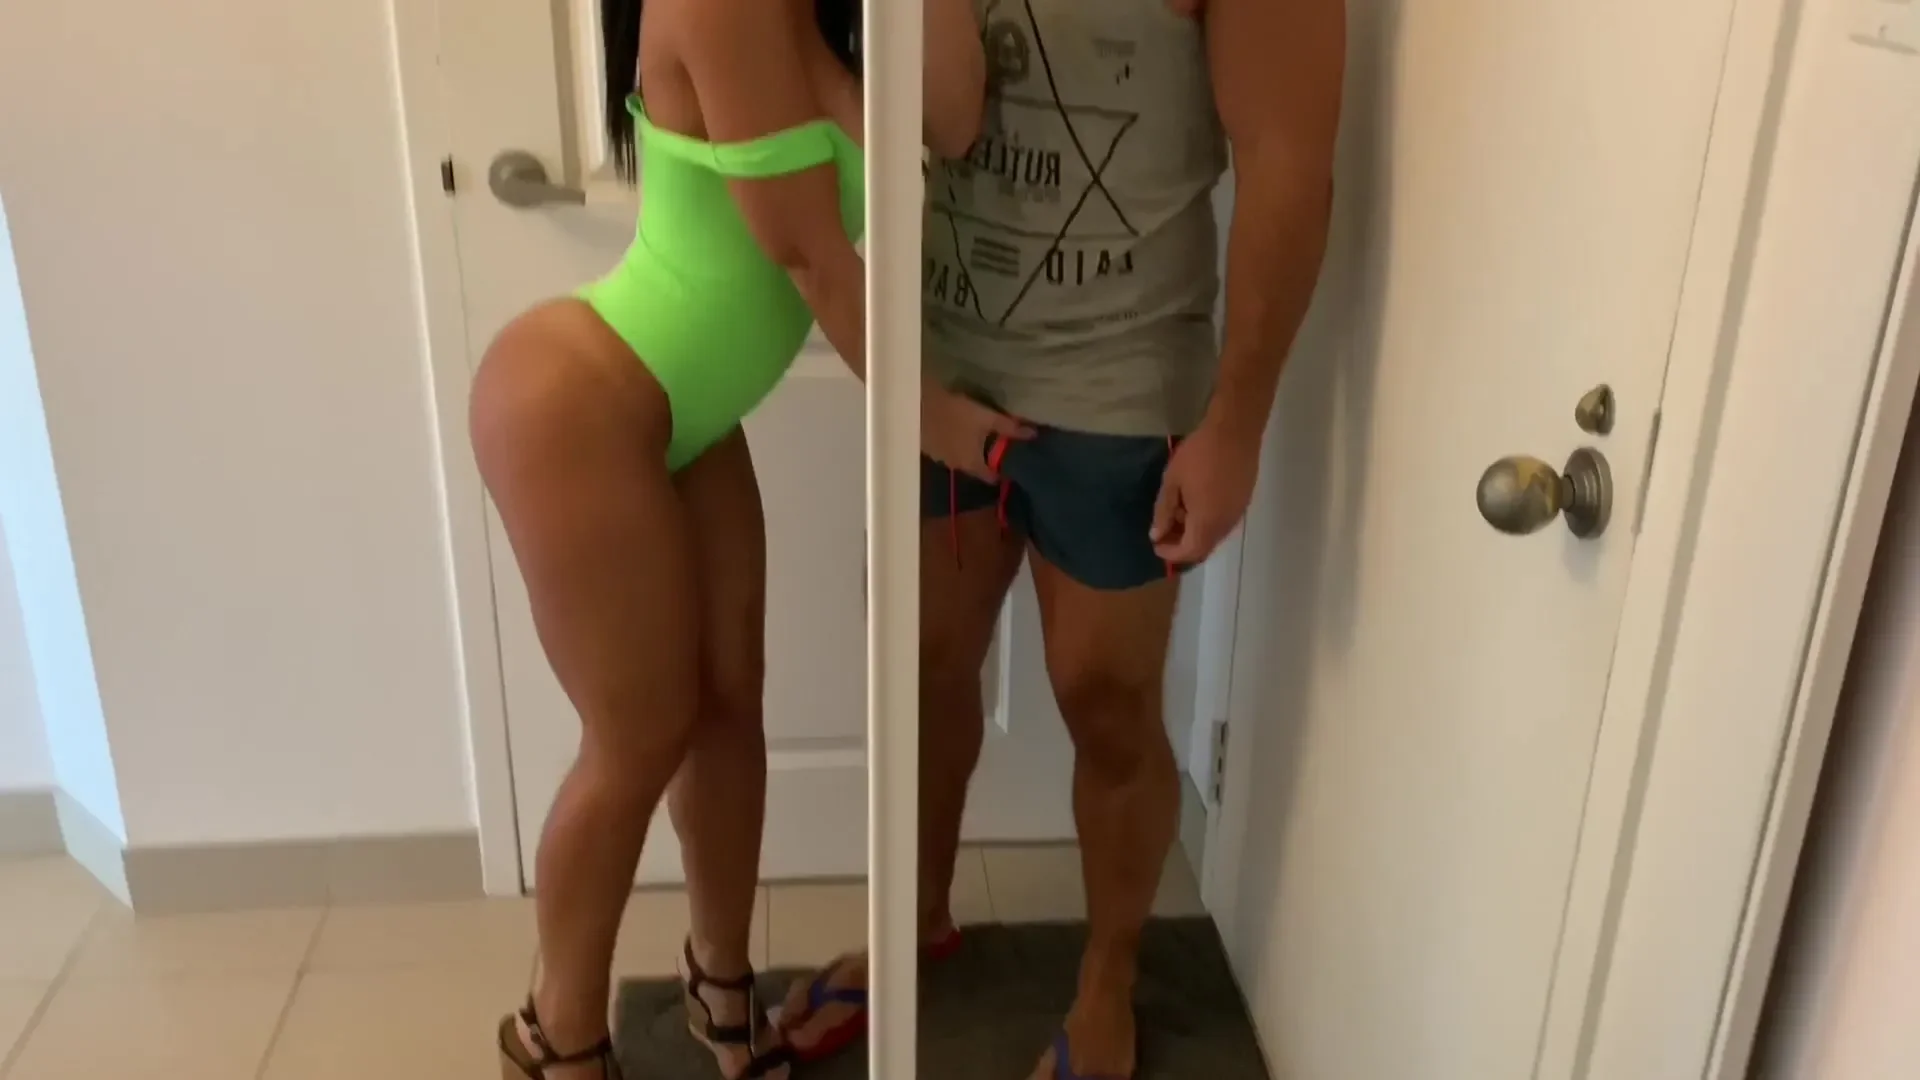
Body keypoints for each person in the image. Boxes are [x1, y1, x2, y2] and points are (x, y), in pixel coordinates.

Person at [778, 0, 1345, 1077]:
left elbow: (1289, 163)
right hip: (938, 369)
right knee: (916, 670)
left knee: (1107, 700)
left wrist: (1236, 424)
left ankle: (1106, 985)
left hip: (1121, 390)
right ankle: (915, 923)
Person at [476, 0, 987, 1077]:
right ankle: (556, 1029)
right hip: (579, 401)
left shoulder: (827, 15)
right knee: (638, 736)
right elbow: (809, 255)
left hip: (688, 415)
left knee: (726, 707)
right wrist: (938, 420)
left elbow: (954, 122)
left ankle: (720, 985)